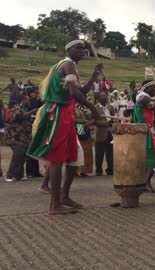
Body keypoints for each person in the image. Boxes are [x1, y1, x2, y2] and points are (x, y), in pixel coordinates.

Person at [27, 40, 102, 215]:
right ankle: (54, 204)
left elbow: (80, 92)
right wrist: (93, 108)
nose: (82, 51)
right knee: (57, 158)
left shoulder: (72, 67)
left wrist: (94, 75)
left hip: (66, 115)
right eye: (78, 48)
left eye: (84, 49)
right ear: (68, 50)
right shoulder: (67, 64)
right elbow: (73, 93)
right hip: (58, 114)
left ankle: (63, 196)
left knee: (74, 157)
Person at [132, 80, 155, 192]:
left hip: (145, 129)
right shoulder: (143, 96)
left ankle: (146, 182)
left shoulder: (144, 97)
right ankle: (146, 183)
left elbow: (146, 113)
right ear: (147, 88)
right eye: (153, 87)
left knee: (148, 157)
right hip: (145, 130)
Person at [5, 95, 37, 182]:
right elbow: (19, 117)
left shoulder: (23, 109)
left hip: (23, 137)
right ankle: (9, 175)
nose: (29, 101)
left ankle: (18, 174)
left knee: (23, 156)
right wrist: (32, 112)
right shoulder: (16, 108)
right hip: (15, 136)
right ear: (23, 100)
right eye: (28, 100)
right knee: (17, 155)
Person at [26, 87, 44, 178]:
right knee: (31, 149)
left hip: (36, 126)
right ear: (30, 94)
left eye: (37, 93)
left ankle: (36, 171)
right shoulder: (27, 102)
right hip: (29, 127)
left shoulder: (37, 101)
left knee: (35, 149)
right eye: (35, 93)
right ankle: (30, 172)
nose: (37, 94)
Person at [94, 92, 114, 176]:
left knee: (110, 153)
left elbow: (113, 117)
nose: (104, 97)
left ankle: (110, 169)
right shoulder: (95, 108)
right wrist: (106, 124)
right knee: (99, 154)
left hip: (110, 133)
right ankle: (98, 170)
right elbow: (94, 121)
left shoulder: (111, 107)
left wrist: (112, 123)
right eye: (102, 96)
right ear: (98, 99)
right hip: (100, 134)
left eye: (105, 96)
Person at [75, 104, 94, 177]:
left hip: (86, 128)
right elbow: (72, 119)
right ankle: (78, 170)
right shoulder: (73, 107)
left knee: (87, 149)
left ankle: (85, 170)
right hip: (78, 127)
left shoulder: (87, 106)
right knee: (81, 148)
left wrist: (90, 122)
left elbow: (93, 117)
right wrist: (83, 121)